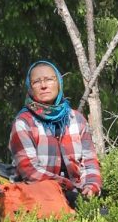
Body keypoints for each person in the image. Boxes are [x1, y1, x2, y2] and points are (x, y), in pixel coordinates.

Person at [9, 61, 102, 205]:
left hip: (78, 195)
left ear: (59, 83)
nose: (44, 85)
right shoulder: (23, 123)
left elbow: (90, 162)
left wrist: (91, 186)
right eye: (36, 82)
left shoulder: (76, 119)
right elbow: (30, 171)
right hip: (38, 198)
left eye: (49, 79)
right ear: (30, 88)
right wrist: (66, 186)